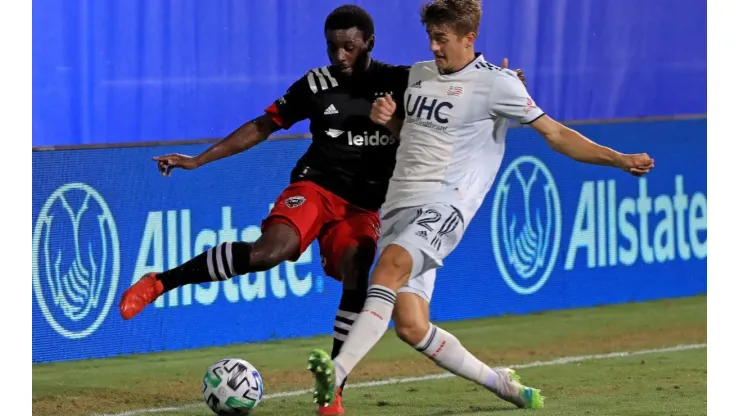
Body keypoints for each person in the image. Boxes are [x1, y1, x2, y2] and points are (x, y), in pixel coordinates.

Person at [307, 0, 655, 410]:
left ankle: (338, 373)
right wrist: (391, 121)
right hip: (400, 204)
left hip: (446, 204)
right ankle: (501, 383)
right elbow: (418, 137)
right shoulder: (418, 75)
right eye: (431, 37)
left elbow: (557, 135)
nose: (435, 47)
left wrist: (618, 159)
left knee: (387, 270)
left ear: (469, 38)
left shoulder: (498, 84)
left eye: (443, 38)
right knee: (411, 325)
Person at [118, 5, 407, 415]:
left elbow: (458, 99)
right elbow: (262, 125)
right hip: (316, 187)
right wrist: (199, 160)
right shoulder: (316, 83)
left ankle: (333, 388)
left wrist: (505, 89)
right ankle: (160, 282)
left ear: (369, 44)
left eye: (348, 47)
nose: (339, 56)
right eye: (332, 47)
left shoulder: (401, 81)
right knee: (267, 254)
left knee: (358, 274)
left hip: (363, 207)